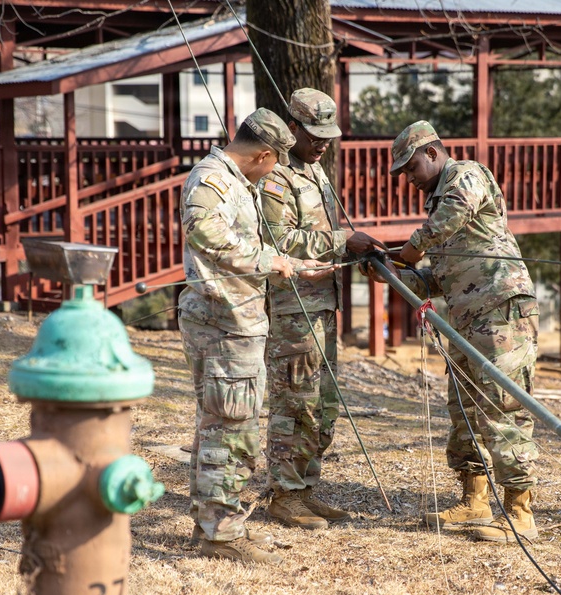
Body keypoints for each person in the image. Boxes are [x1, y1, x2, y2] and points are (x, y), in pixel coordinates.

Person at [365, 120, 540, 543]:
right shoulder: (437, 207)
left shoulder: (466, 176)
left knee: (502, 408)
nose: (408, 179)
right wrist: (392, 272)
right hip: (465, 320)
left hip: (501, 313)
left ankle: (519, 511)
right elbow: (439, 279)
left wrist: (407, 250)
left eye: (410, 169)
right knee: (463, 412)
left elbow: (446, 221)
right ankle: (474, 499)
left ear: (432, 153)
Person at [178, 108, 332, 565]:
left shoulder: (235, 181)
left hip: (239, 320)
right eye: (274, 163)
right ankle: (220, 534)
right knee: (232, 430)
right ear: (264, 154)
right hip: (222, 324)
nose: (275, 172)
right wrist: (267, 259)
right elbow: (203, 231)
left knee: (224, 425)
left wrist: (292, 264)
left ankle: (217, 523)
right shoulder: (213, 179)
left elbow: (239, 245)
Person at [260, 88, 385, 530]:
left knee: (322, 404)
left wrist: (359, 252)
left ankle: (305, 488)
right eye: (314, 135)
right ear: (292, 129)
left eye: (328, 136)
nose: (322, 144)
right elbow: (278, 242)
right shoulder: (277, 178)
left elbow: (326, 237)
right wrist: (340, 241)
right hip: (293, 307)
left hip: (322, 306)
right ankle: (284, 494)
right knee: (294, 402)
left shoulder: (317, 174)